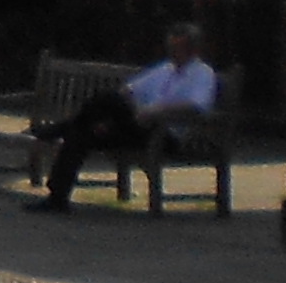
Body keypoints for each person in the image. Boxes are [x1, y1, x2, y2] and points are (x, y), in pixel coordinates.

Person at [41, 22, 226, 208]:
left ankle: (58, 128)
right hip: (137, 127)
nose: (171, 52)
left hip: (166, 134)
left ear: (193, 49)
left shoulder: (202, 73)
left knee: (108, 101)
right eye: (170, 47)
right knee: (82, 133)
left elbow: (197, 106)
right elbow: (128, 90)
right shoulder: (165, 69)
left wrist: (156, 110)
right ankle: (57, 198)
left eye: (177, 48)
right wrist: (113, 119)